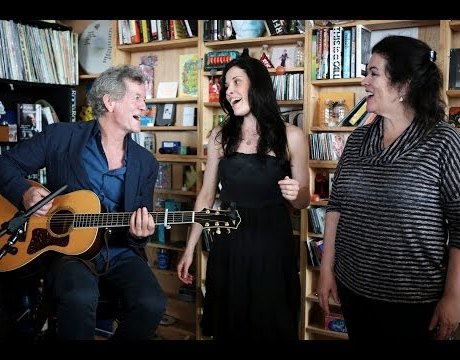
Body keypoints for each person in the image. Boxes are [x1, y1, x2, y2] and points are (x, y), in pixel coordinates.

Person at [0, 64, 167, 341]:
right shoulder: (61, 137)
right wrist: (24, 193)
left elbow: (138, 234)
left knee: (152, 303)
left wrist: (139, 235)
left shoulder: (147, 163)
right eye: (137, 98)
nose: (145, 106)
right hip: (67, 252)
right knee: (80, 296)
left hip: (120, 253)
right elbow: (3, 165)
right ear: (110, 102)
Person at [317, 35, 460, 341]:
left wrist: (454, 296)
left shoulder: (442, 141)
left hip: (415, 302)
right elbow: (335, 206)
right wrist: (327, 270)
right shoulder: (357, 140)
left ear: (404, 85)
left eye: (373, 73)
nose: (364, 80)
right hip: (353, 290)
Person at [176, 54, 310, 340]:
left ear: (258, 86)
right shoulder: (219, 137)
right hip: (228, 244)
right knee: (229, 325)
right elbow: (206, 196)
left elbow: (303, 201)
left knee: (270, 326)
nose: (229, 91)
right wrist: (189, 248)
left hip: (272, 247)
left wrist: (295, 193)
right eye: (226, 85)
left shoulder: (292, 136)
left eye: (236, 82)